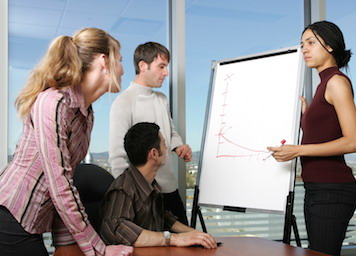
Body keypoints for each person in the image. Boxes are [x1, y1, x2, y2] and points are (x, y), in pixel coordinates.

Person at [0, 28, 133, 256]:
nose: (122, 69)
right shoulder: (53, 103)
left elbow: (67, 182)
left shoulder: (85, 114)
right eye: (119, 60)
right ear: (104, 61)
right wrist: (99, 250)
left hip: (33, 223)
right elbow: (59, 184)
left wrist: (66, 245)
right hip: (11, 216)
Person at [267, 21, 356, 256]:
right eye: (302, 44)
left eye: (310, 43)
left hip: (333, 190)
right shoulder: (323, 86)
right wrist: (305, 115)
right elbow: (323, 133)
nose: (304, 50)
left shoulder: (336, 82)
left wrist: (297, 150)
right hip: (317, 189)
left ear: (330, 46)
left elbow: (354, 142)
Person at [109, 42, 191, 225]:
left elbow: (171, 132)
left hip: (170, 189)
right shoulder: (124, 102)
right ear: (143, 66)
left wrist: (179, 146)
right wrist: (129, 198)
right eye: (161, 66)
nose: (166, 73)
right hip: (143, 196)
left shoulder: (161, 99)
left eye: (166, 67)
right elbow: (117, 158)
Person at [100, 122, 217, 249]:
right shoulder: (123, 188)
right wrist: (173, 238)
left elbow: (162, 217)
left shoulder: (149, 184)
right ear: (154, 154)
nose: (167, 149)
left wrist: (194, 234)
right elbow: (115, 228)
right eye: (164, 144)